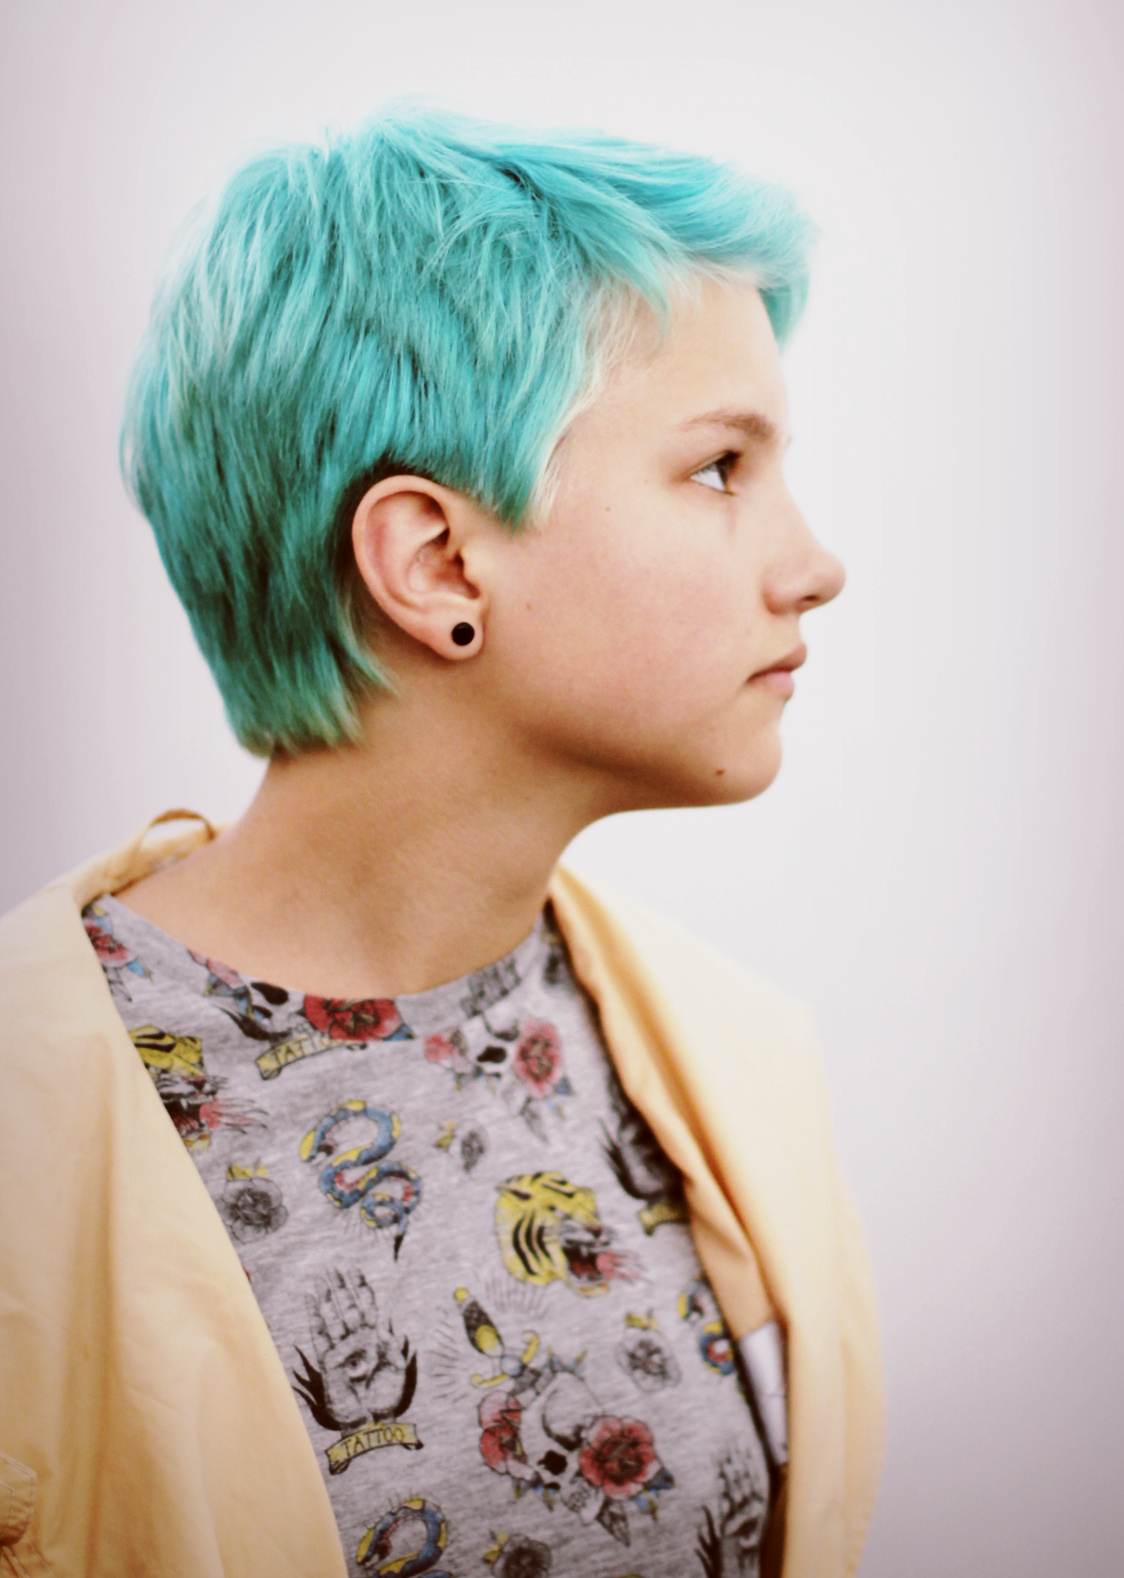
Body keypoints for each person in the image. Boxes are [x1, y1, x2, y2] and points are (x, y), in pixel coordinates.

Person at [0, 108, 882, 1578]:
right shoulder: (18, 1134)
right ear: (436, 563)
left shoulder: (743, 1061)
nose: (816, 565)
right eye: (721, 466)